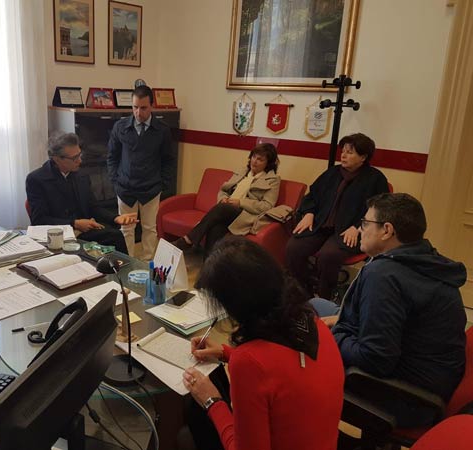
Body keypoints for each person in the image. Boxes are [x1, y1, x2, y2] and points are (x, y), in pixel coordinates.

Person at [314, 193, 466, 428]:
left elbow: (375, 360)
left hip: (403, 396)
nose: (361, 228)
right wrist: (341, 320)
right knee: (315, 306)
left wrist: (333, 334)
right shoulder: (426, 258)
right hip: (425, 375)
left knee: (305, 339)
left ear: (387, 230)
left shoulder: (384, 275)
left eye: (365, 223)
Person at [182, 237, 344, 450]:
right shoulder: (314, 323)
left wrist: (211, 400)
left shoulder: (248, 363)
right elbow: (283, 373)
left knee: (187, 430)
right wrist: (225, 353)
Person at [286, 133, 389, 299]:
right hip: (320, 224)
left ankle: (324, 296)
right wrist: (309, 213)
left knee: (329, 256)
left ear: (363, 157)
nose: (343, 155)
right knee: (293, 248)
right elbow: (312, 195)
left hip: (349, 230)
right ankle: (303, 290)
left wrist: (359, 227)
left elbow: (380, 210)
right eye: (343, 151)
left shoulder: (375, 179)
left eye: (350, 152)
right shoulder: (332, 173)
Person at [26, 133, 137, 254]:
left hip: (82, 231)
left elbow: (93, 207)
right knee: (111, 239)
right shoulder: (37, 179)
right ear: (57, 159)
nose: (80, 161)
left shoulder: (80, 175)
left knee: (116, 235)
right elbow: (39, 220)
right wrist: (74, 223)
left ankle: (122, 271)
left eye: (80, 155)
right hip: (56, 236)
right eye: (74, 158)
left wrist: (116, 218)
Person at [173, 143, 281, 255]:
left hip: (246, 215)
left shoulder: (273, 179)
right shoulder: (243, 172)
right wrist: (223, 198)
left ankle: (189, 239)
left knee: (222, 209)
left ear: (268, 163)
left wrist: (240, 202)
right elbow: (223, 190)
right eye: (254, 157)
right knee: (215, 228)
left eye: (260, 159)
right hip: (227, 211)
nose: (255, 161)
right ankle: (209, 265)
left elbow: (267, 206)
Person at [107, 85, 176, 260]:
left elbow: (168, 160)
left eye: (143, 108)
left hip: (151, 189)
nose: (138, 112)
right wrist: (115, 181)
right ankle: (127, 262)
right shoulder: (120, 127)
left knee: (149, 228)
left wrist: (162, 184)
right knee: (126, 230)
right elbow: (112, 157)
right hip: (125, 188)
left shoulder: (162, 130)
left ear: (152, 106)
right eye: (135, 107)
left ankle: (146, 264)